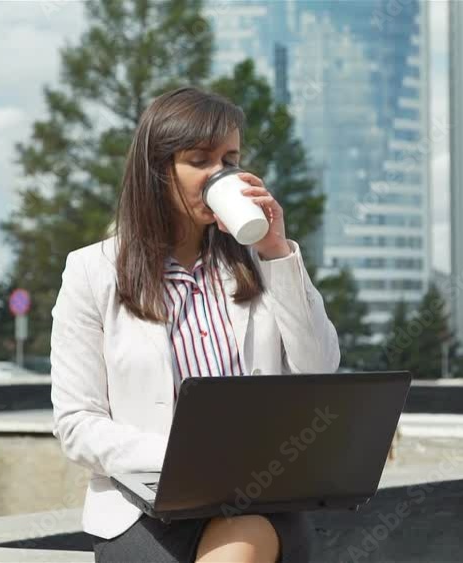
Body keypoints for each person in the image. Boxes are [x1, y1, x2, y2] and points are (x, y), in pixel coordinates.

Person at [49, 86, 341, 563]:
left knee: (247, 537)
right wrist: (185, 458)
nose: (219, 174)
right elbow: (77, 423)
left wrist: (276, 252)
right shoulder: (92, 272)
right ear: (158, 170)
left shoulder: (261, 266)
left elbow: (319, 371)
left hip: (256, 497)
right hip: (143, 504)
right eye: (200, 160)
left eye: (230, 160)